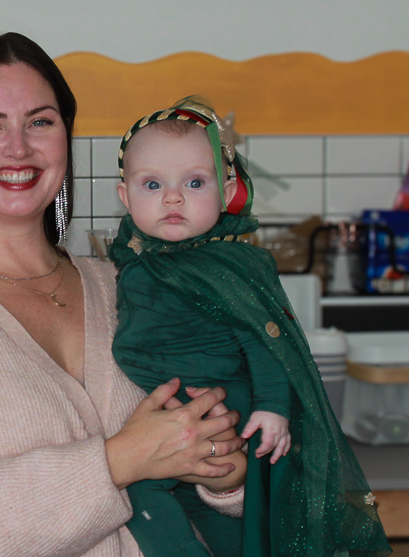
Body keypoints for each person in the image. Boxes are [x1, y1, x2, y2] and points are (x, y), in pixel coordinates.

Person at [0, 33, 251, 557]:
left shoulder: (128, 284)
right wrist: (120, 459)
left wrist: (226, 479)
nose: (18, 147)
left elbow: (215, 462)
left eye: (40, 122)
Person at [109, 98, 391, 556]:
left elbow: (266, 339)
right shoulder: (135, 259)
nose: (172, 197)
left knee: (141, 488)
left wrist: (274, 407)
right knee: (211, 512)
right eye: (153, 184)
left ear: (225, 193)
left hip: (220, 405)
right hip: (169, 408)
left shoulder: (231, 266)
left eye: (195, 182)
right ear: (125, 197)